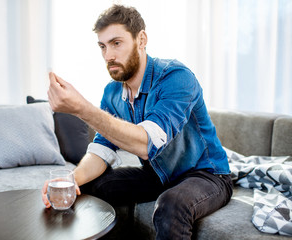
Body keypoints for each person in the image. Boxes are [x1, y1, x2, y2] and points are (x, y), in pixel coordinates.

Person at [42, 4, 232, 240]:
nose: (108, 55)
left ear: (141, 39)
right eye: (102, 46)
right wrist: (71, 180)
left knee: (171, 204)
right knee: (92, 187)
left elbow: (147, 144)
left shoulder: (176, 78)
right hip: (159, 176)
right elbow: (102, 150)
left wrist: (82, 109)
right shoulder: (112, 93)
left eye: (116, 43)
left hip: (205, 175)